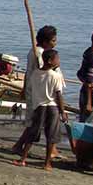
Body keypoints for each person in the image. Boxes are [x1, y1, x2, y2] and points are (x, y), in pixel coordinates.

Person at [14, 49, 68, 170]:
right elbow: (58, 95)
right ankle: (47, 163)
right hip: (52, 107)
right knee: (51, 136)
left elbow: (36, 87)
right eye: (56, 59)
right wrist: (63, 111)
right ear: (50, 61)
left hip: (39, 106)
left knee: (32, 133)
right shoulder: (55, 76)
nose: (58, 61)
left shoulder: (35, 74)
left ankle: (23, 159)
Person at [12, 25, 58, 156]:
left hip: (35, 90)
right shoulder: (39, 53)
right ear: (45, 41)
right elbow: (41, 71)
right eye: (53, 40)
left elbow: (29, 72)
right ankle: (19, 146)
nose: (55, 43)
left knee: (37, 121)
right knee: (35, 122)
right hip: (37, 92)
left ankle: (20, 145)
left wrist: (24, 88)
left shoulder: (35, 51)